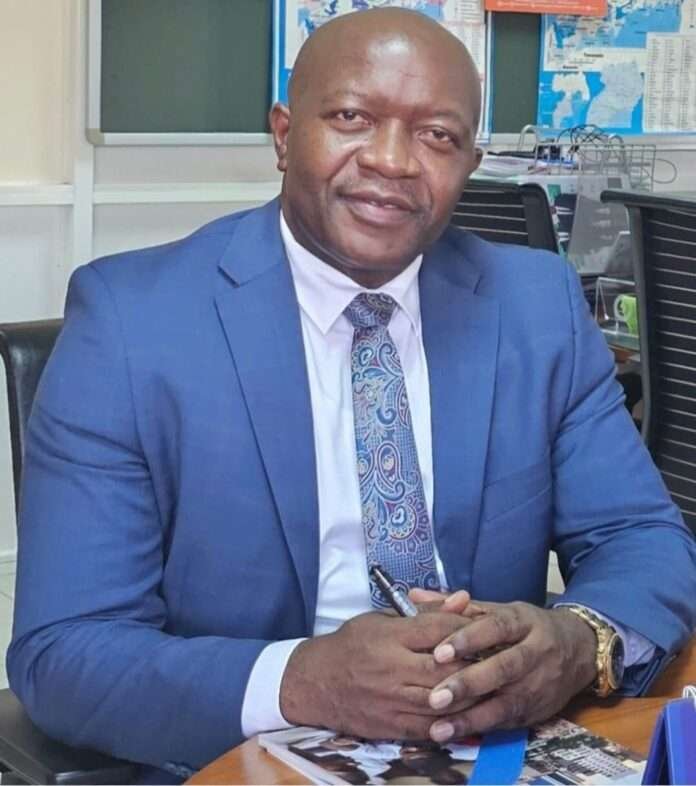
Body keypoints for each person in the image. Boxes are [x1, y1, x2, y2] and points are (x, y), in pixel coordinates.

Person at [7, 6, 696, 783]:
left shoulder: (536, 308)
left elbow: (643, 537)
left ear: (470, 162)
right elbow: (65, 650)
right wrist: (303, 679)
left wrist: (576, 641)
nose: (393, 160)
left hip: (494, 752)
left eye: (437, 135)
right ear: (283, 134)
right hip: (242, 758)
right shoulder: (133, 323)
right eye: (351, 118)